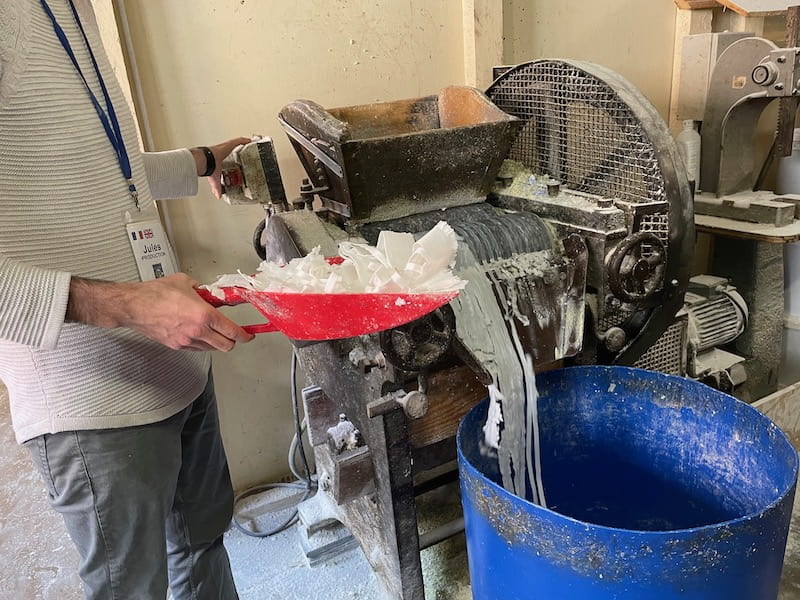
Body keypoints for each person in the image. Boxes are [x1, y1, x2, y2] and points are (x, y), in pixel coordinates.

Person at [0, 0, 253, 598]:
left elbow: (93, 164)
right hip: (91, 397)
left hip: (177, 359)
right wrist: (131, 306)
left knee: (202, 543)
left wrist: (205, 160)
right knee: (132, 585)